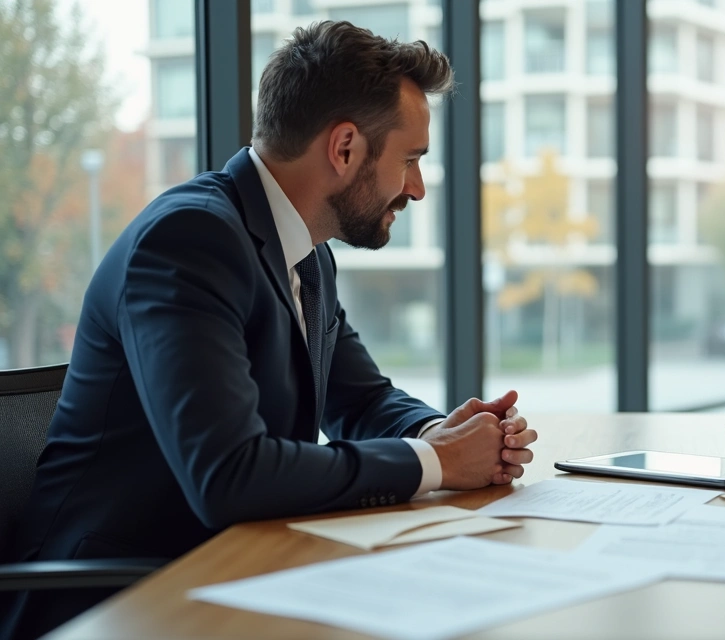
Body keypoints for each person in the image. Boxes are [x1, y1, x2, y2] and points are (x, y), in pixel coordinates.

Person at [1, 21, 537, 640]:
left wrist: (437, 432)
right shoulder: (188, 243)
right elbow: (230, 476)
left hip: (226, 572)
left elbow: (359, 398)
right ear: (344, 148)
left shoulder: (306, 252)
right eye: (410, 159)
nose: (416, 187)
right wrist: (438, 462)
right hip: (112, 602)